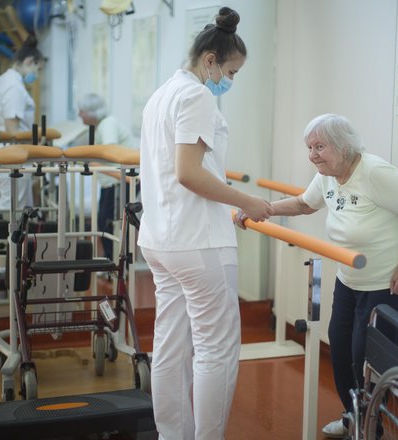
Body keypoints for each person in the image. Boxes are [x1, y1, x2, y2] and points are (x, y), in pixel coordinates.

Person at [237, 114, 398, 439]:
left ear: (343, 147)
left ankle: (370, 426)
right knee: (340, 348)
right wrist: (263, 209)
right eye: (309, 147)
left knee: (365, 357)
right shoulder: (328, 175)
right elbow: (303, 204)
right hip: (350, 277)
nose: (313, 154)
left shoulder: (374, 172)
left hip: (391, 281)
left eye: (319, 147)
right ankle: (352, 418)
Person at [137, 7, 273, 440]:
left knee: (171, 348)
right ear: (210, 59)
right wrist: (248, 200)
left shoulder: (162, 94)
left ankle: (172, 436)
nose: (230, 80)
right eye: (231, 70)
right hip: (198, 243)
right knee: (215, 351)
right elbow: (189, 173)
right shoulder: (197, 96)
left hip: (162, 240)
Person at [0, 35, 46, 210]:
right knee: (13, 208)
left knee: (18, 206)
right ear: (29, 61)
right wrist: (36, 144)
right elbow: (14, 130)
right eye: (38, 69)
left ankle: (9, 237)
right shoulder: (14, 87)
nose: (37, 75)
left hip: (7, 151)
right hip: (11, 154)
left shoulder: (3, 80)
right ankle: (6, 238)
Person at [77, 93, 134, 260]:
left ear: (92, 112)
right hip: (111, 182)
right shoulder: (101, 125)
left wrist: (94, 165)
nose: (79, 115)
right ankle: (112, 260)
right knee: (105, 223)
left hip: (119, 181)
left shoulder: (107, 124)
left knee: (109, 224)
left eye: (82, 111)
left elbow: (111, 153)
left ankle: (117, 262)